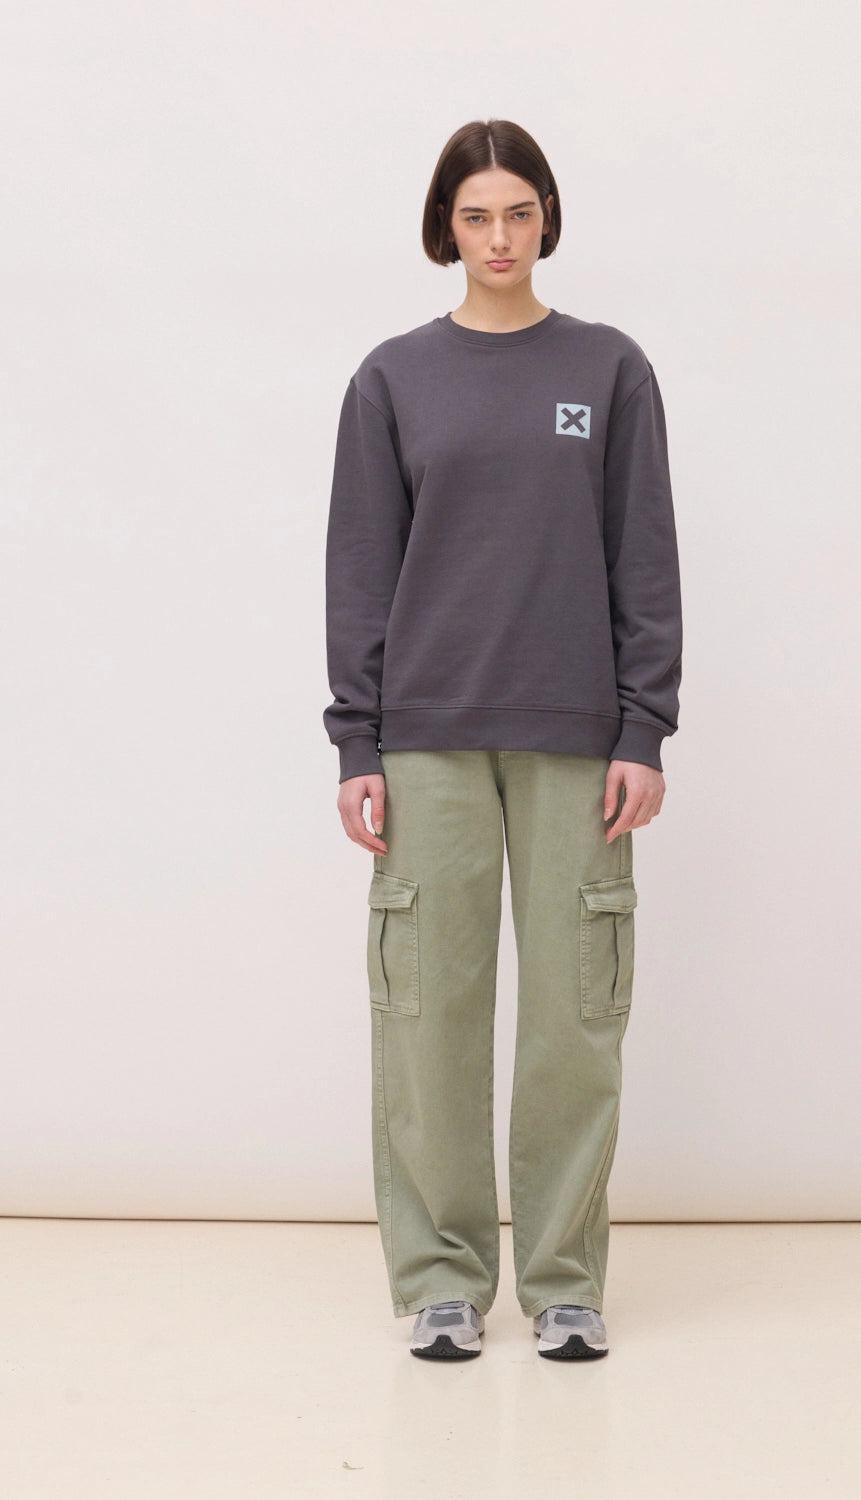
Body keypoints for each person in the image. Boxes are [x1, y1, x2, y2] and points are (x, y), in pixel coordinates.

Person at [323, 118, 682, 1361]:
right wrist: (357, 744)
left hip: (577, 739)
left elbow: (644, 558)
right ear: (446, 227)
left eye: (517, 214)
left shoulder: (610, 369)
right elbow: (360, 571)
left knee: (573, 1018)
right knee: (428, 1014)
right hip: (425, 740)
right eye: (475, 216)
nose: (498, 238)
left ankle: (565, 1279)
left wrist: (643, 725)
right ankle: (441, 1279)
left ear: (547, 220)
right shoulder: (392, 379)